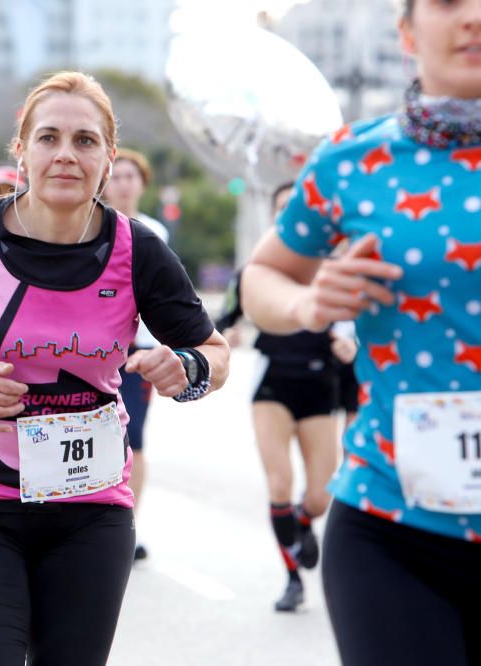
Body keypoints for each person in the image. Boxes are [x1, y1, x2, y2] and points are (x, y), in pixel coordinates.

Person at [0, 71, 230, 666]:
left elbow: (215, 352)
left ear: (109, 156)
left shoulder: (137, 250)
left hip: (90, 515)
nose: (66, 155)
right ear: (21, 150)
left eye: (85, 140)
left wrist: (188, 367)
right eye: (48, 138)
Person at [241, 1, 481, 661]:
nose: (474, 17)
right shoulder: (354, 160)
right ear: (406, 32)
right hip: (392, 528)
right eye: (448, 1)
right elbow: (261, 278)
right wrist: (308, 304)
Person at [216, 183, 345, 612]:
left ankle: (304, 523)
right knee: (280, 485)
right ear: (275, 218)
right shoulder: (255, 270)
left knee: (320, 496)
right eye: (283, 207)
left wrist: (349, 346)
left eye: (297, 207)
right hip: (272, 386)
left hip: (320, 385)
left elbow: (359, 327)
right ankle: (292, 579)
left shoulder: (335, 268)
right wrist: (227, 335)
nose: (291, 213)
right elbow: (220, 321)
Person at [104, 147, 170, 561]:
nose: (124, 183)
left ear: (142, 184)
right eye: (118, 176)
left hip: (138, 353)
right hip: (95, 349)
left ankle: (128, 524)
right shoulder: (92, 226)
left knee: (133, 441)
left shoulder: (155, 233)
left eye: (132, 176)